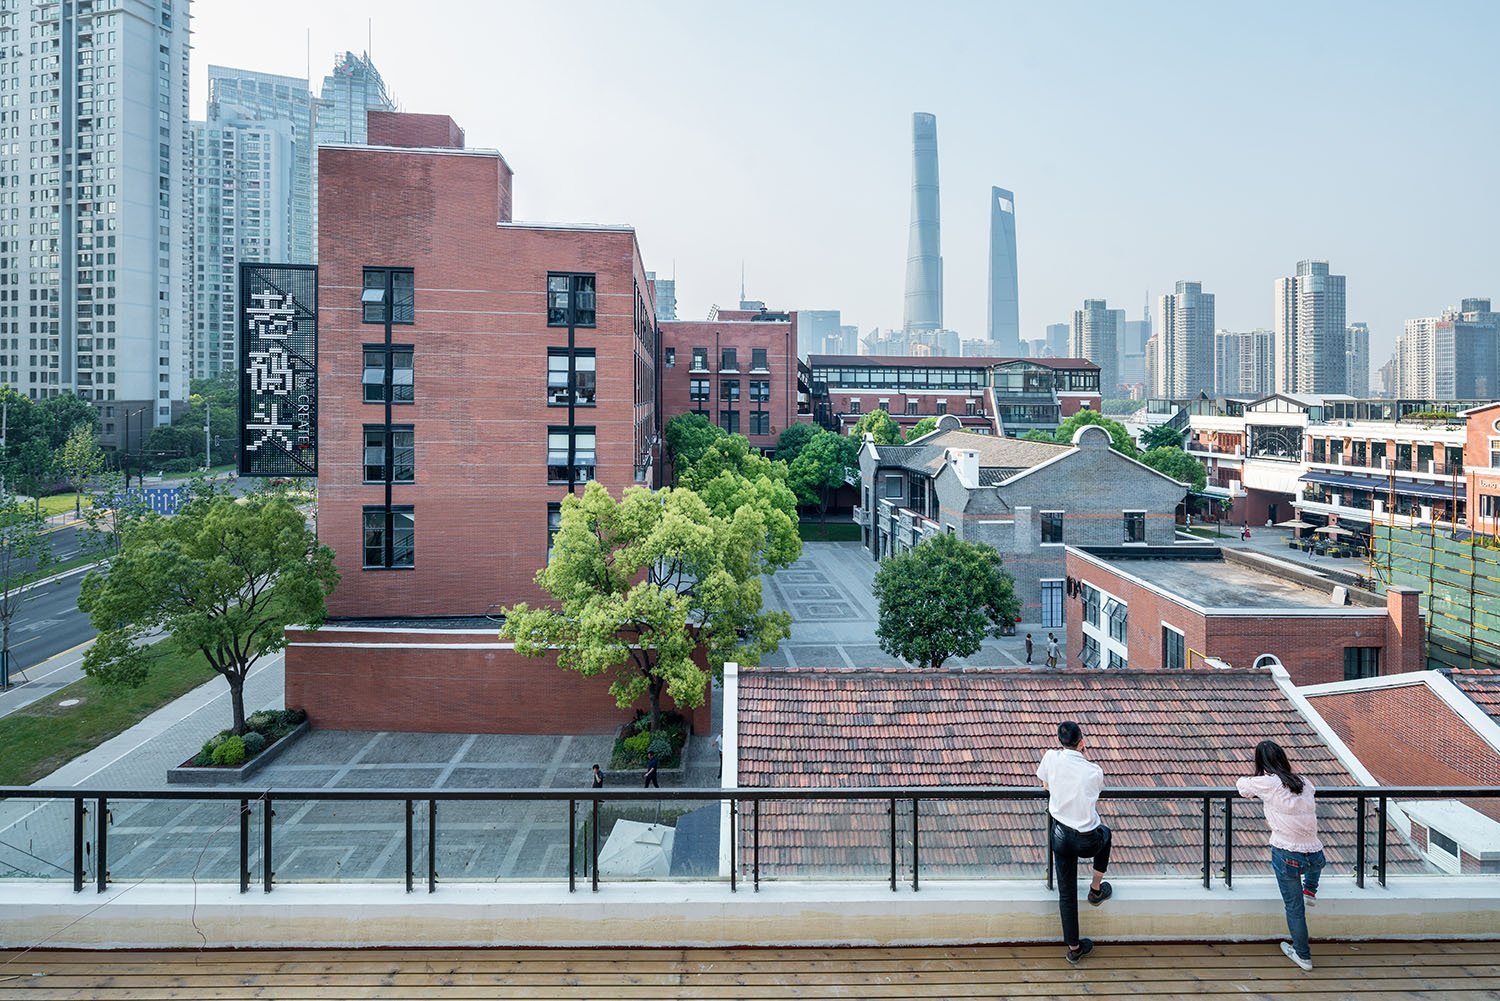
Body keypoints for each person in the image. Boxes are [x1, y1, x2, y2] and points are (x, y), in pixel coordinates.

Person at [1237, 740, 1324, 972]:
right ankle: (1311, 889)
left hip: (1287, 853)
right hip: (1316, 854)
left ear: (1261, 761)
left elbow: (1242, 786)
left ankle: (1303, 955)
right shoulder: (1305, 782)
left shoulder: (1269, 783)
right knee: (1314, 864)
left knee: (1294, 908)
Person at [1036, 721, 1112, 964]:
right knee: (1106, 834)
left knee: (1066, 893)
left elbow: (1045, 784)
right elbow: (1095, 792)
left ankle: (1074, 948)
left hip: (1060, 836)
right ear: (1082, 742)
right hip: (1087, 840)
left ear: (1060, 741)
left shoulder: (1050, 758)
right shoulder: (1093, 771)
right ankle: (1095, 889)